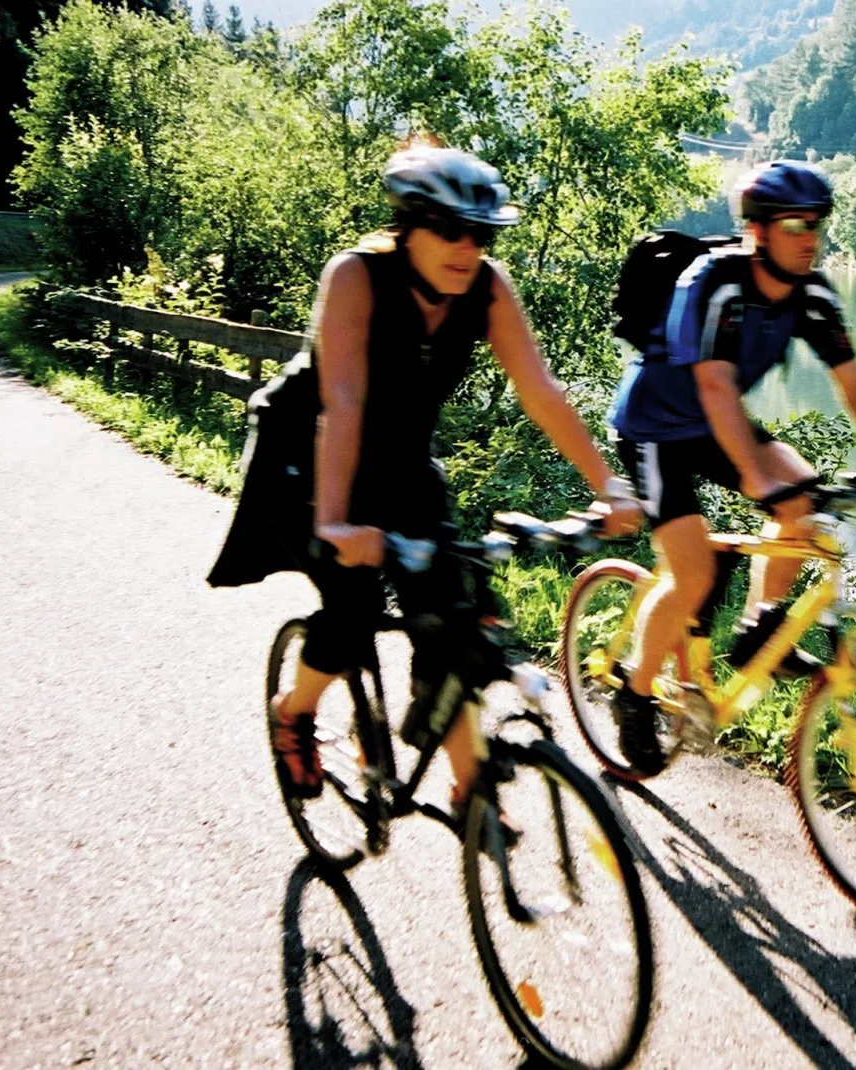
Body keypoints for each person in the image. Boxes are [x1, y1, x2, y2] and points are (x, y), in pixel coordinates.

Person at [208, 144, 643, 806]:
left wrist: (607, 486)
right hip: (306, 458)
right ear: (408, 223)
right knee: (352, 606)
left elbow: (541, 391)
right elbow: (342, 402)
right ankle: (293, 710)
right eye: (449, 229)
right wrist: (334, 521)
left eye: (482, 232)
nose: (467, 247)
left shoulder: (487, 288)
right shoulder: (356, 276)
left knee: (452, 617)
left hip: (403, 465)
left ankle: (473, 800)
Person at [606, 159, 856, 775]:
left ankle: (758, 627)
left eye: (816, 223)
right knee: (692, 572)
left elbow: (855, 383)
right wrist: (759, 479)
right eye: (793, 223)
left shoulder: (811, 292)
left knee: (805, 501)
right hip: (656, 428)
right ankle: (634, 693)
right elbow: (713, 384)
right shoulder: (715, 282)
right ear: (757, 230)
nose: (809, 236)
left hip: (716, 423)